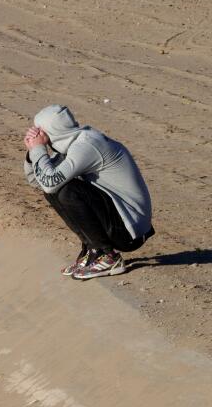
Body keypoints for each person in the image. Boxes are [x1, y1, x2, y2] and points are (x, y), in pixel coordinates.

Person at [23, 104, 154, 280]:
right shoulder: (71, 144)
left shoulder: (87, 146)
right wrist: (32, 153)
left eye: (40, 131)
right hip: (120, 222)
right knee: (56, 191)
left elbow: (49, 182)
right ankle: (92, 249)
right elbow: (37, 182)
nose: (37, 135)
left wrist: (39, 149)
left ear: (52, 131)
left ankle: (107, 256)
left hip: (131, 231)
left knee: (68, 191)